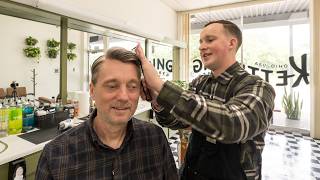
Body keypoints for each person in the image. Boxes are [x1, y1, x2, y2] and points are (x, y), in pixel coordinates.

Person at [135, 20, 275, 180]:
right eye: (200, 42)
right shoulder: (199, 83)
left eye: (209, 40)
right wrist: (159, 101)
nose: (201, 47)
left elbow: (232, 125)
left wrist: (161, 86)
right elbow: (177, 122)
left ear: (232, 43)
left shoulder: (258, 87)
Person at [35, 47, 178, 180]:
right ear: (92, 90)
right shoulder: (56, 155)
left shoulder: (155, 139)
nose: (123, 96)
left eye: (132, 86)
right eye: (112, 86)